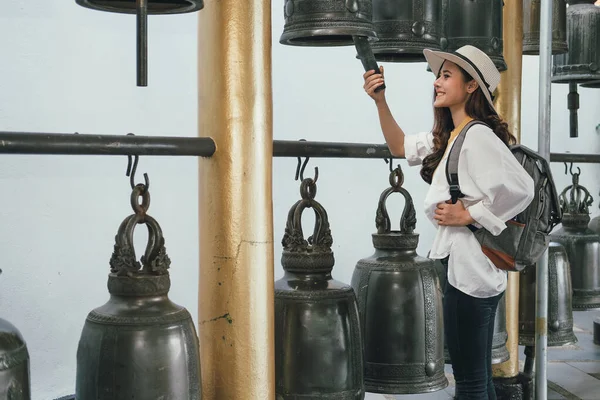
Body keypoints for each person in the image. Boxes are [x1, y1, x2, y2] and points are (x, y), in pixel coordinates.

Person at [362, 45, 534, 400]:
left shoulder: (478, 136)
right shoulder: (452, 136)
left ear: (472, 86)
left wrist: (469, 214)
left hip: (469, 277)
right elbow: (399, 146)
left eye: (446, 75)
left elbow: (523, 189)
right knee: (479, 379)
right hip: (469, 272)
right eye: (438, 76)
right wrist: (380, 100)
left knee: (470, 383)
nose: (437, 83)